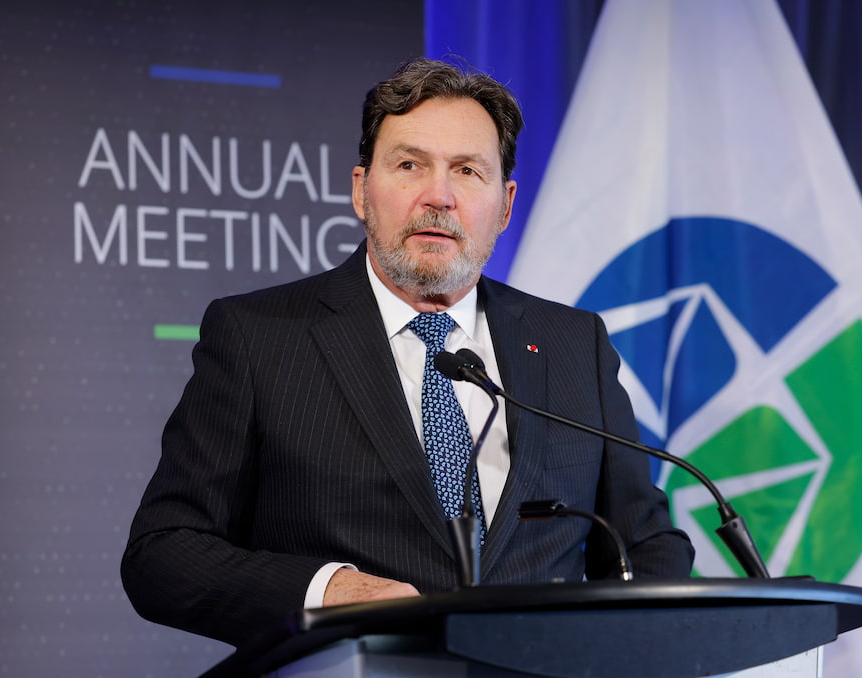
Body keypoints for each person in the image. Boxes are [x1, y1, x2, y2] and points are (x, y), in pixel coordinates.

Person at [121, 57, 693, 647]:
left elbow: (643, 544)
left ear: (505, 206)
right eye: (410, 164)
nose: (438, 196)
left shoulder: (575, 344)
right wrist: (331, 590)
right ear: (361, 191)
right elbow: (162, 554)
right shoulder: (258, 336)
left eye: (468, 171)